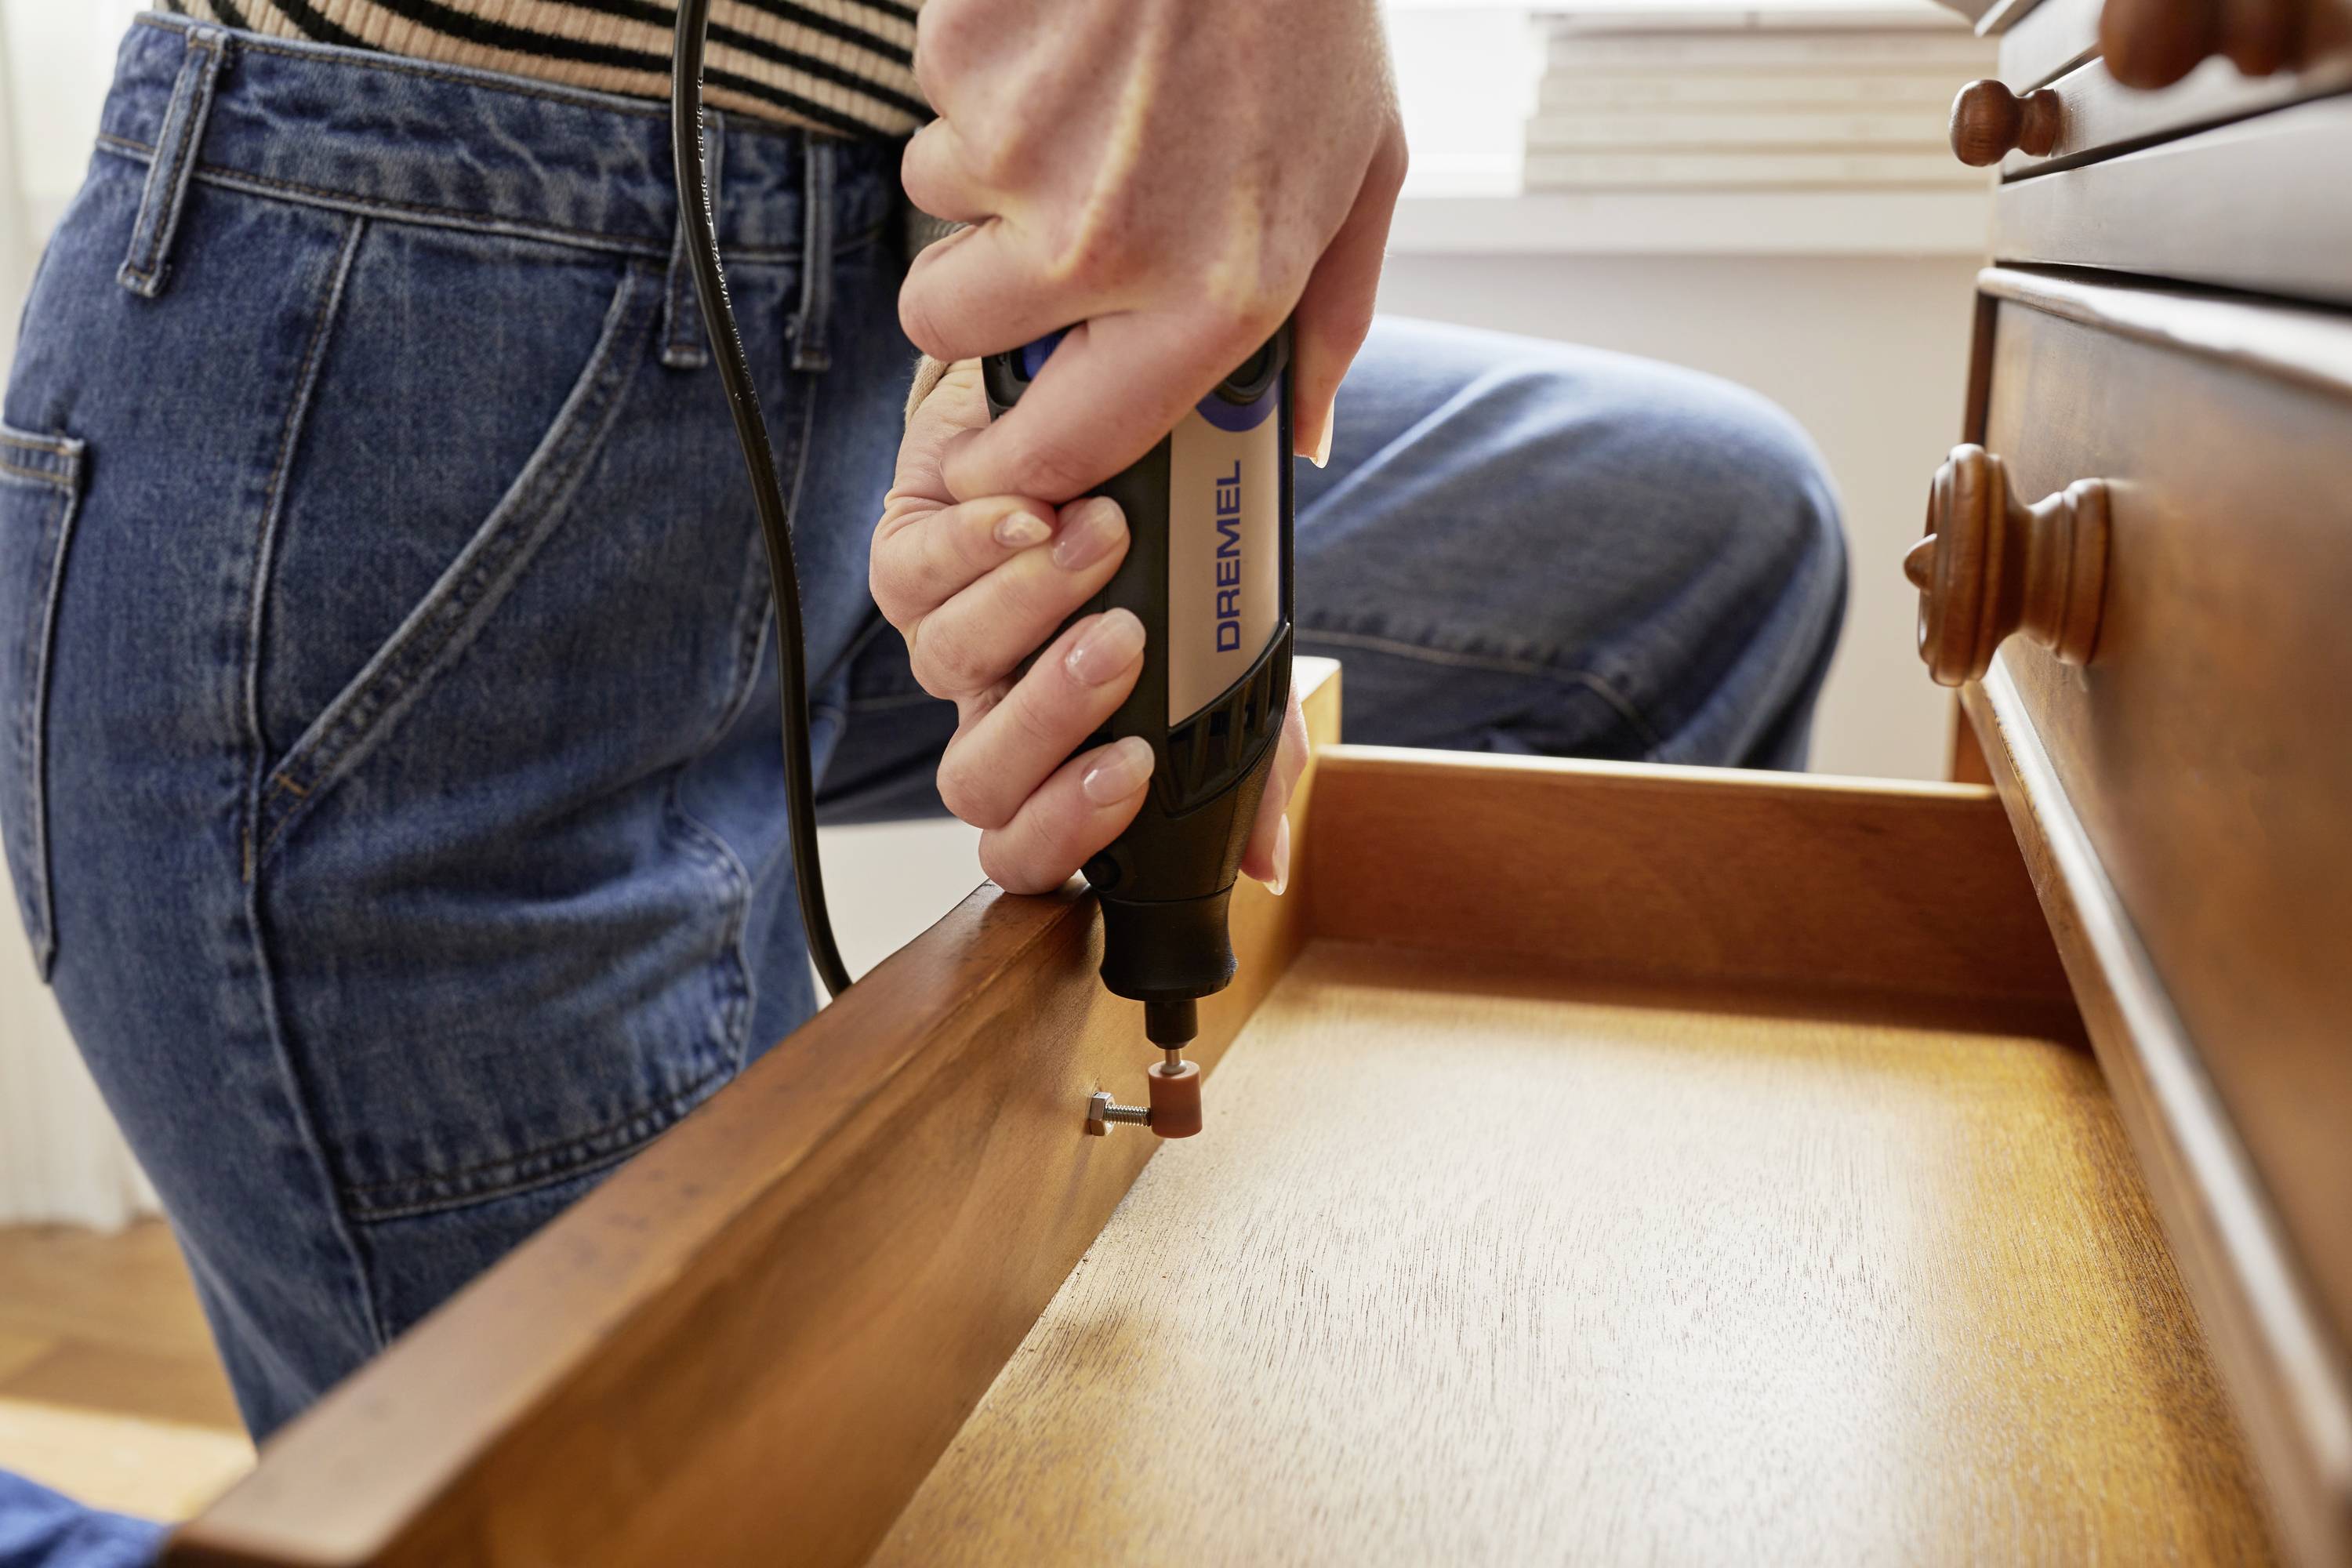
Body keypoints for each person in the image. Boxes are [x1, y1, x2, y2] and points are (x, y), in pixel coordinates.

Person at [0, 2, 1846, 1555]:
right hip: (403, 359)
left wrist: (1011, 354)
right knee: (648, 1503)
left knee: (1710, 533)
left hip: (855, 284)